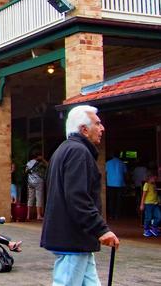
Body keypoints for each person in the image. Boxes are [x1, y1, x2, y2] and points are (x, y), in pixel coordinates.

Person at [41, 105, 119, 286]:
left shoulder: (64, 150)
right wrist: (101, 229)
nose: (102, 128)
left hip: (76, 238)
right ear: (84, 129)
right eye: (97, 124)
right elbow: (77, 198)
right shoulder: (78, 152)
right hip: (73, 238)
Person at [25, 151, 47, 220]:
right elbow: (48, 165)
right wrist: (43, 160)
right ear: (38, 156)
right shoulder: (39, 163)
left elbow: (25, 171)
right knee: (39, 198)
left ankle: (28, 216)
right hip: (38, 182)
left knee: (30, 198)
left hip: (30, 182)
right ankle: (38, 215)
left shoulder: (28, 163)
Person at [105, 152, 127, 220]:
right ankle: (117, 215)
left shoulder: (107, 163)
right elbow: (125, 173)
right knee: (119, 200)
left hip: (110, 183)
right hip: (120, 183)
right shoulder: (122, 163)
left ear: (112, 155)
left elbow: (105, 172)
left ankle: (111, 215)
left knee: (111, 200)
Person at [139, 170, 160, 237]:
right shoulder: (146, 185)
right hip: (148, 204)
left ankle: (154, 228)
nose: (155, 179)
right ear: (150, 177)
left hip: (155, 204)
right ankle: (146, 230)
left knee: (159, 217)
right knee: (148, 217)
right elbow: (143, 195)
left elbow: (155, 194)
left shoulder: (154, 185)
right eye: (154, 178)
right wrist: (142, 204)